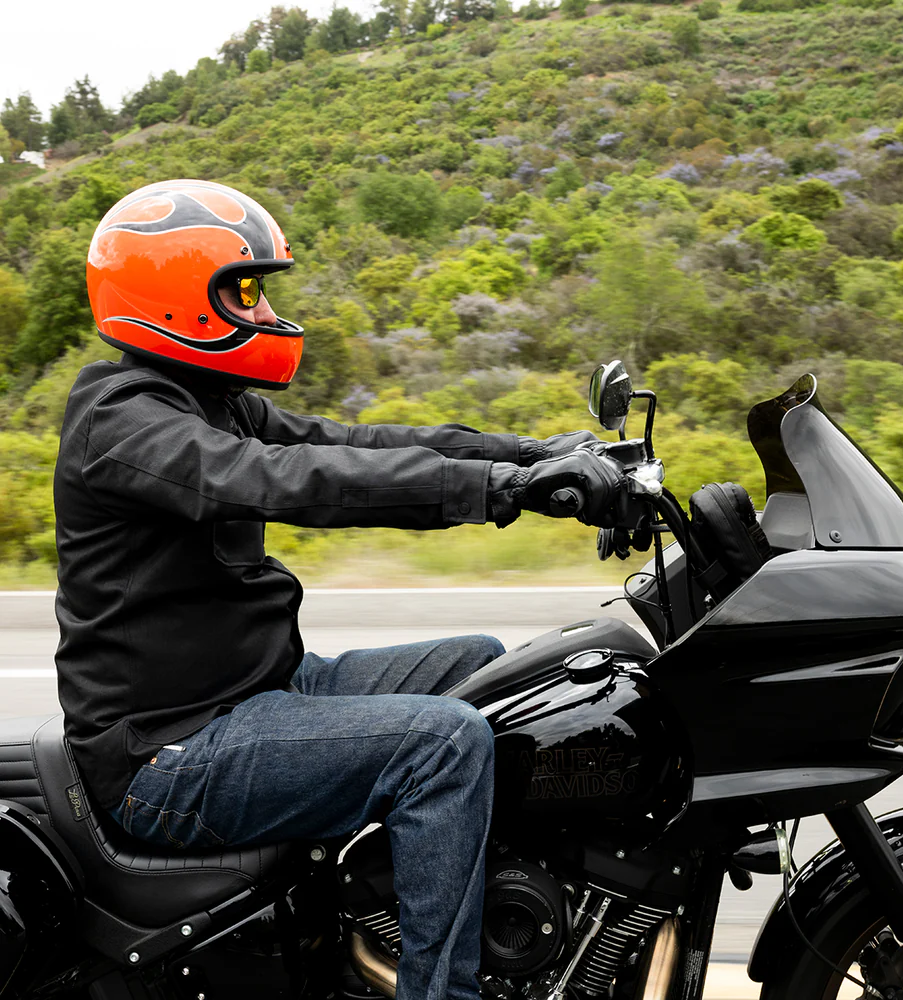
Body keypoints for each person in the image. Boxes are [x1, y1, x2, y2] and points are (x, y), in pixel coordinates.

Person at [54, 179, 623, 1000]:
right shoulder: (122, 421)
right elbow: (291, 479)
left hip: (262, 689)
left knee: (489, 666)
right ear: (176, 302)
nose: (263, 311)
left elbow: (356, 442)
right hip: (168, 754)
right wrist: (499, 491)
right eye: (243, 293)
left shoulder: (213, 403)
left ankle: (481, 924)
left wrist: (533, 456)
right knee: (443, 742)